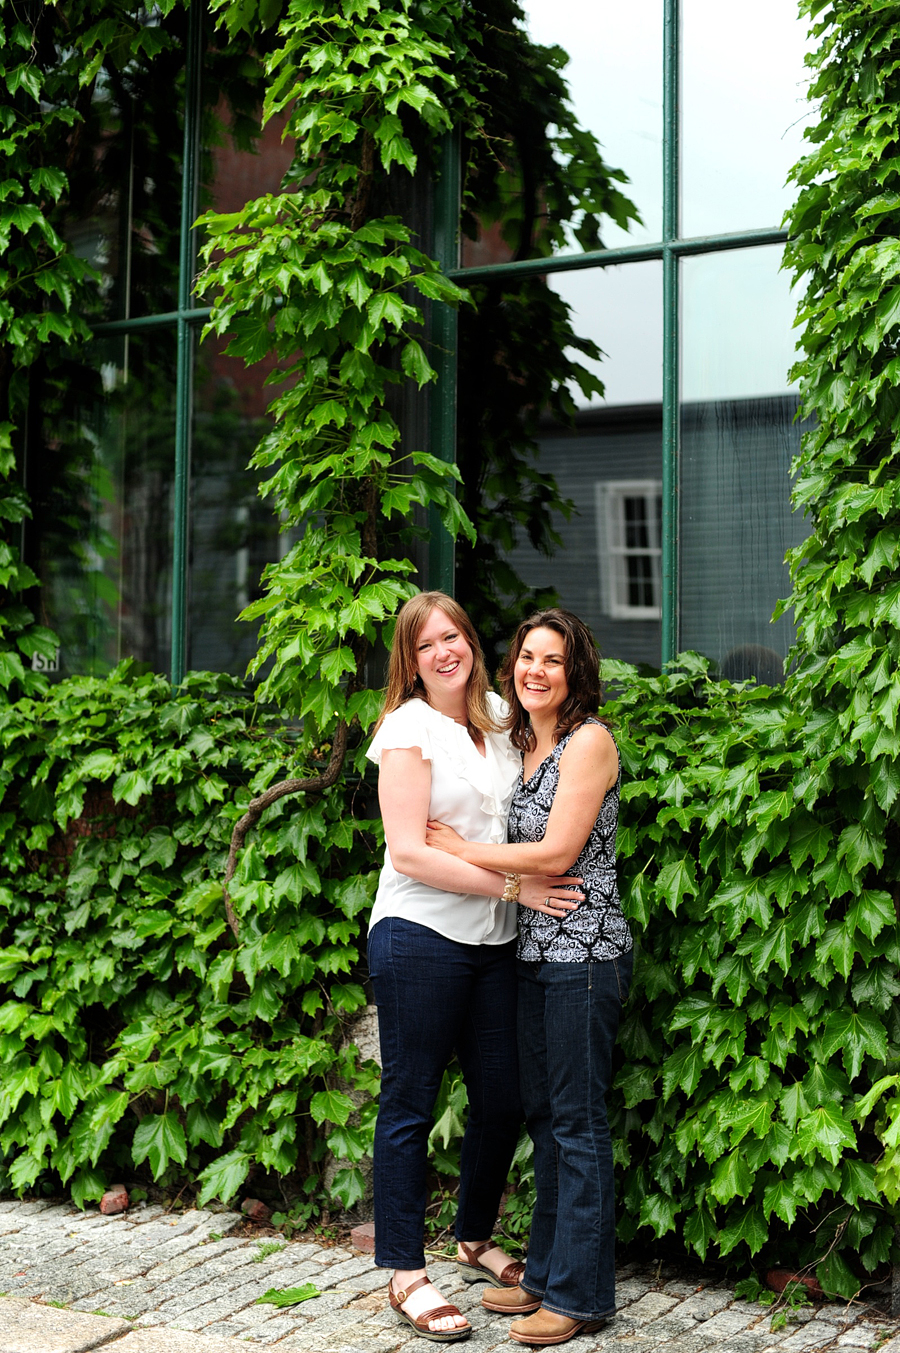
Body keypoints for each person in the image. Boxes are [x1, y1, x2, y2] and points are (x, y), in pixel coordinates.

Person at [366, 592, 583, 1344]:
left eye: (453, 634)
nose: (444, 651)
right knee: (411, 1101)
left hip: (495, 944)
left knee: (502, 1099)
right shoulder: (406, 728)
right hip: (418, 935)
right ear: (411, 659)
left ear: (470, 639)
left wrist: (511, 889)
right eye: (427, 645)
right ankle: (404, 1271)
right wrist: (518, 887)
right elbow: (410, 851)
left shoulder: (497, 714)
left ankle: (473, 1236)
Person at [426, 608, 634, 1348]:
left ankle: (581, 1295)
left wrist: (464, 850)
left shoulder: (590, 742)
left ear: (575, 670)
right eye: (525, 657)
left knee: (577, 1124)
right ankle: (546, 1274)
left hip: (586, 952)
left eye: (552, 659)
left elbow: (555, 851)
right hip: (536, 953)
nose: (535, 670)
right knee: (545, 1120)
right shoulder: (525, 744)